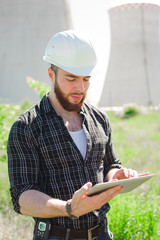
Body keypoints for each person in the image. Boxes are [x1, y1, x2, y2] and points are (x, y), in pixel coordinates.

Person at [7, 30, 138, 240]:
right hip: (56, 236)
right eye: (71, 78)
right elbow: (22, 198)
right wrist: (70, 207)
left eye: (86, 79)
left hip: (101, 233)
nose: (80, 87)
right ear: (52, 75)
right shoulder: (27, 126)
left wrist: (118, 176)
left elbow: (111, 165)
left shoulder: (100, 118)